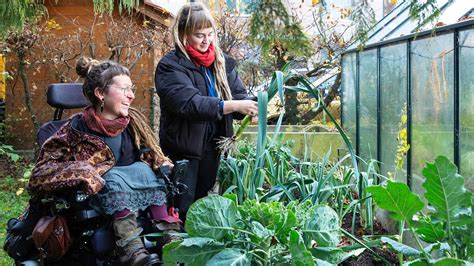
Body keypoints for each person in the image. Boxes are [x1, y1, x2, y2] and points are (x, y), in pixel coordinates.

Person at [28, 57, 181, 266]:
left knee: (143, 170)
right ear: (101, 93)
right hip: (93, 198)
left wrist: (160, 161)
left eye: (132, 88)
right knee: (114, 176)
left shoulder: (132, 123)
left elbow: (148, 152)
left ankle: (171, 239)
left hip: (137, 190)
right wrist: (83, 170)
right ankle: (131, 250)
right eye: (124, 89)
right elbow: (40, 173)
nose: (132, 95)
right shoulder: (75, 129)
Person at [154, 2, 258, 222]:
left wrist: (252, 106)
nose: (206, 41)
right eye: (199, 35)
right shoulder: (170, 66)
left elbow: (238, 96)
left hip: (214, 143)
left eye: (210, 34)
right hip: (184, 148)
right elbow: (190, 104)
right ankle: (175, 247)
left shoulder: (221, 63)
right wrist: (232, 106)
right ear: (184, 34)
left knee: (202, 202)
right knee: (180, 206)